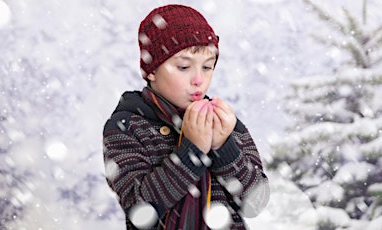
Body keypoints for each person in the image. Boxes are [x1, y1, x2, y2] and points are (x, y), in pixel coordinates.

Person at [103, 4, 270, 229]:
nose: (198, 80)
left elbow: (255, 203)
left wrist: (223, 146)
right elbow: (139, 212)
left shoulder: (223, 123)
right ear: (151, 70)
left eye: (207, 67)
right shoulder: (126, 126)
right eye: (184, 67)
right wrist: (191, 151)